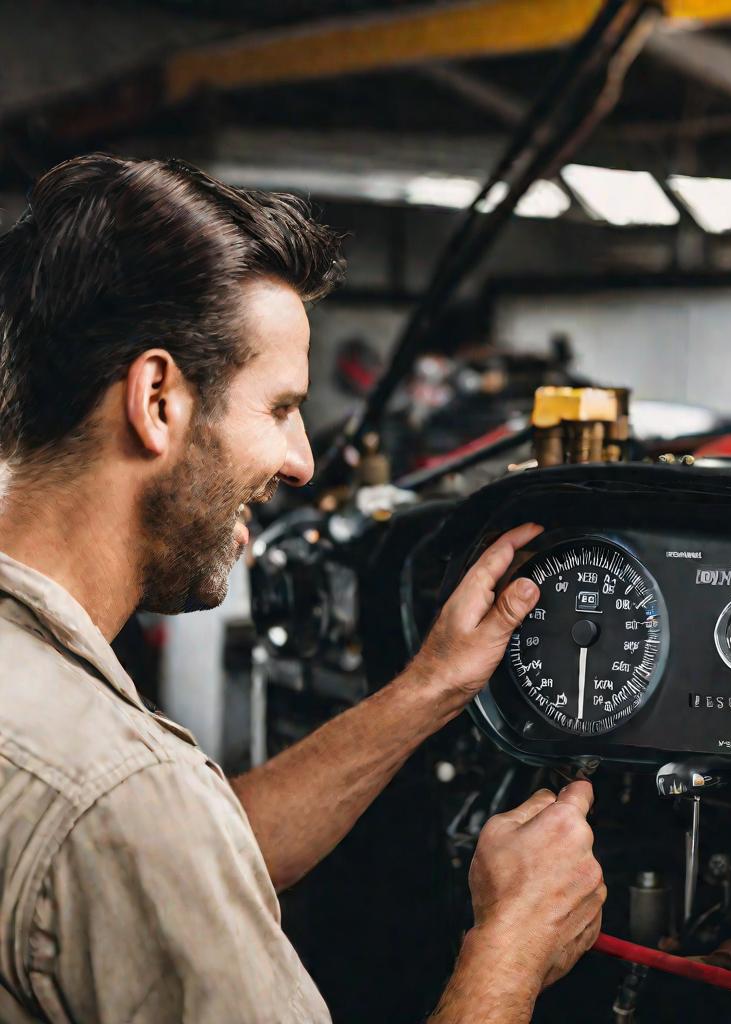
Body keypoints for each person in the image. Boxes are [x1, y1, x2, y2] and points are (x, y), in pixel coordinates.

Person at [0, 154, 605, 1024]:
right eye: (281, 408)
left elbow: (190, 852)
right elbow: (140, 825)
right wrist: (513, 945)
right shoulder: (119, 793)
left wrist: (432, 686)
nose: (302, 460)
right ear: (158, 399)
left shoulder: (102, 785)